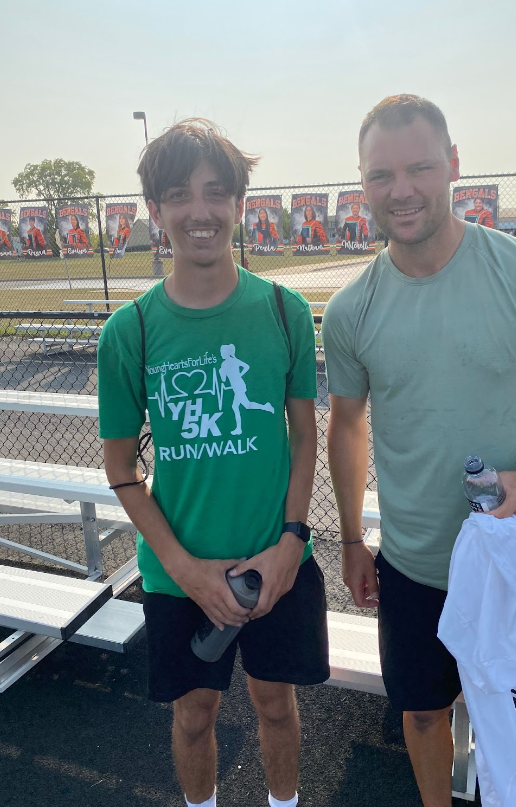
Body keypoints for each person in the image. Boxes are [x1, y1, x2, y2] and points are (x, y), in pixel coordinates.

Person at [322, 94, 516, 807]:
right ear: (362, 185)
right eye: (381, 175)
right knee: (421, 712)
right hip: (415, 565)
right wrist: (354, 537)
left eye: (419, 167)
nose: (402, 190)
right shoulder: (352, 309)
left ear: (452, 164)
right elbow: (347, 425)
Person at [97, 118, 328, 807]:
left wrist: (290, 543)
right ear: (154, 210)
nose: (200, 211)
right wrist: (188, 569)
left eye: (216, 193)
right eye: (179, 194)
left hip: (275, 563)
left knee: (276, 706)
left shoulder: (284, 311)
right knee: (192, 716)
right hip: (178, 576)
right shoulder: (129, 331)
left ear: (238, 203)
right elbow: (120, 470)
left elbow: (305, 439)